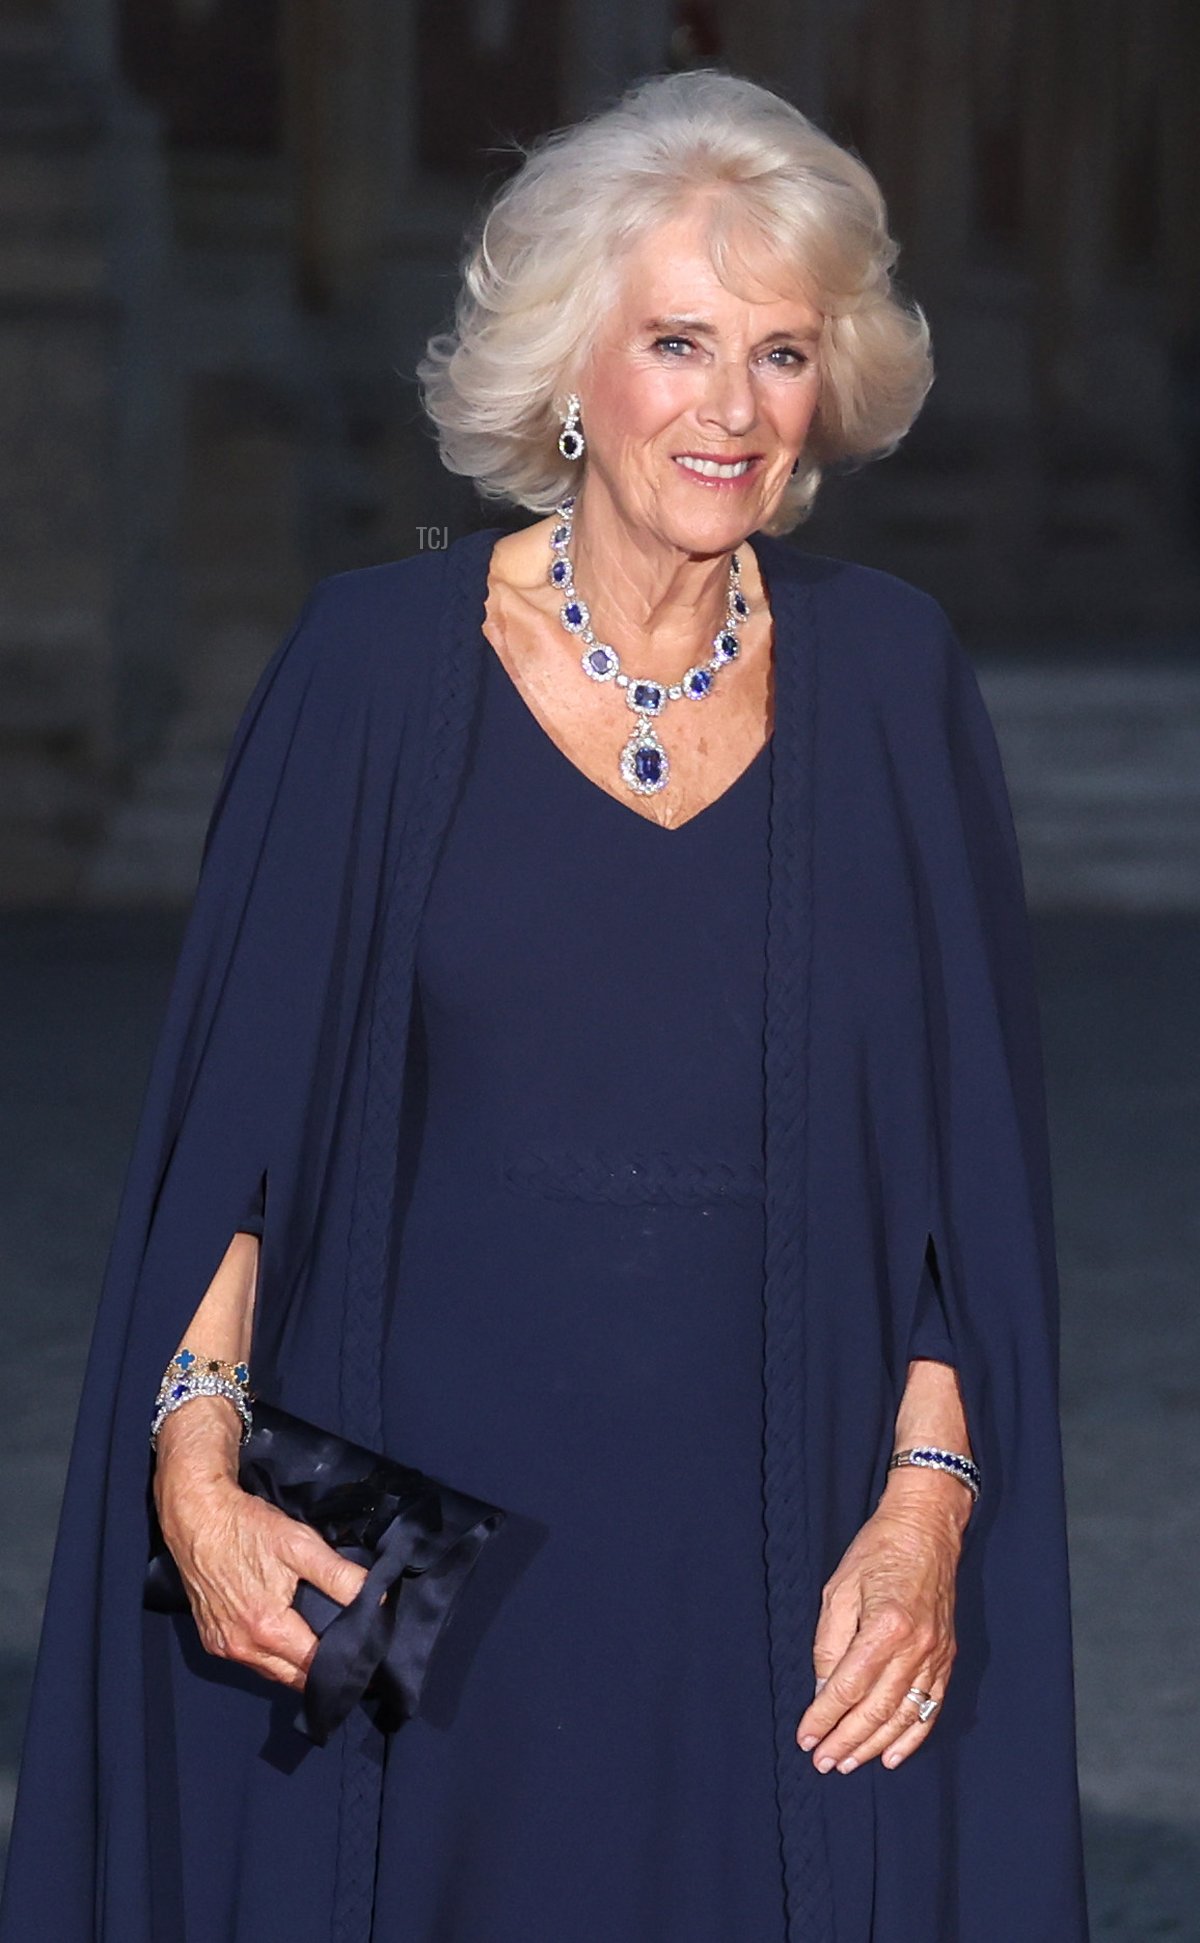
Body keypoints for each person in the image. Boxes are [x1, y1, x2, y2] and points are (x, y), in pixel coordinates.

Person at [0, 67, 1091, 1943]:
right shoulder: (369, 674)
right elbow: (237, 1145)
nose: (733, 410)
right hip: (429, 1559)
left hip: (777, 1556)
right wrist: (192, 1462)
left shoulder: (896, 686)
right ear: (569, 368)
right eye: (678, 343)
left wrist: (923, 1514)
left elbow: (960, 1196)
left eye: (780, 351)